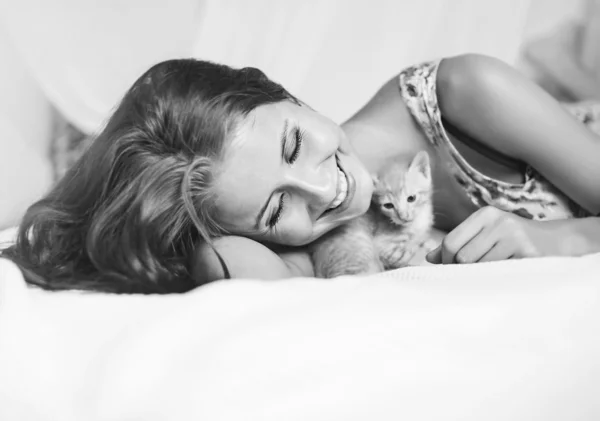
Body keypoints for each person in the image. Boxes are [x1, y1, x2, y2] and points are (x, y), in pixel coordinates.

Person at [1, 54, 599, 293]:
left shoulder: (466, 93)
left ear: (287, 95)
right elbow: (244, 275)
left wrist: (557, 239)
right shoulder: (299, 246)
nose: (323, 191)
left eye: (293, 143)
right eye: (273, 209)